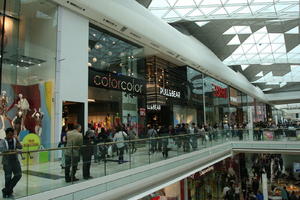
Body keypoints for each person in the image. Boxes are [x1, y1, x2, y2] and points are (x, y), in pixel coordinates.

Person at [0, 128, 22, 198]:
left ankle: (6, 190)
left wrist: (17, 139)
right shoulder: (3, 141)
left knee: (18, 175)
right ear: (6, 134)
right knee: (8, 178)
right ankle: (8, 191)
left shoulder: (15, 140)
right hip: (7, 162)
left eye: (12, 135)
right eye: (9, 135)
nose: (11, 136)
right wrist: (13, 150)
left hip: (15, 161)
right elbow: (3, 150)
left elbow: (20, 147)